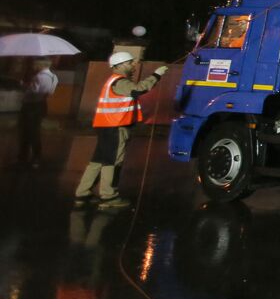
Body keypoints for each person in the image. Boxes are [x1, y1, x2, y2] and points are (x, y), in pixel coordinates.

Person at [74, 51, 168, 209]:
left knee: (98, 161)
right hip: (116, 126)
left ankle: (82, 192)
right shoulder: (120, 82)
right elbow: (139, 89)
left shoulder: (112, 80)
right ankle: (108, 196)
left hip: (106, 126)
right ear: (120, 65)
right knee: (113, 161)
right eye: (130, 63)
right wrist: (156, 75)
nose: (133, 65)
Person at [17, 57, 57, 166]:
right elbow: (49, 92)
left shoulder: (39, 77)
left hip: (31, 106)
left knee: (27, 131)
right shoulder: (54, 77)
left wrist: (24, 85)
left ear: (41, 65)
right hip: (41, 105)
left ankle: (29, 157)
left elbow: (33, 92)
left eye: (36, 64)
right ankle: (32, 157)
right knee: (34, 131)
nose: (34, 66)